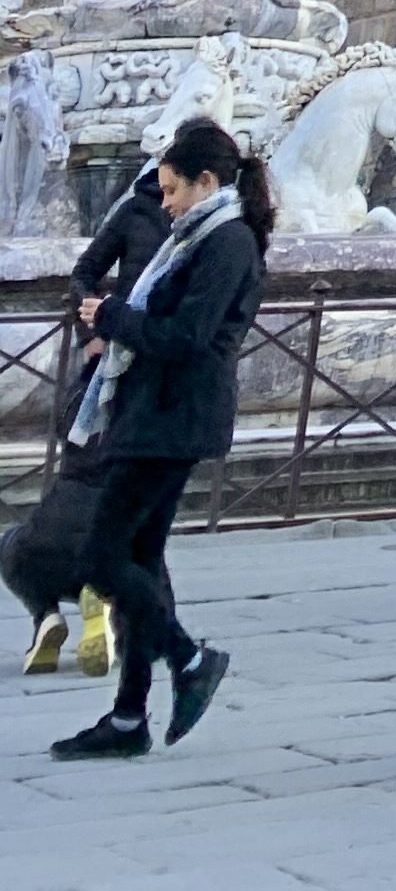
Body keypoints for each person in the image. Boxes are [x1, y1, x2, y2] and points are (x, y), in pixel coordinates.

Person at [41, 116, 271, 760]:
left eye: (172, 191)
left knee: (99, 558)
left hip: (173, 419)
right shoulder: (199, 236)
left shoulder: (225, 243)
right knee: (141, 562)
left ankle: (190, 658)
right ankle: (127, 717)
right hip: (155, 414)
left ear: (207, 181)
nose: (163, 204)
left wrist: (113, 317)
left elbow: (188, 338)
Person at [5, 161, 169, 680]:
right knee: (138, 536)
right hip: (125, 356)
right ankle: (120, 618)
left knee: (21, 544)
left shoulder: (201, 233)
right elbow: (84, 272)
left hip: (139, 363)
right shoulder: (138, 215)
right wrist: (92, 331)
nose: (168, 199)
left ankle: (50, 616)